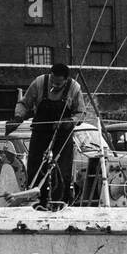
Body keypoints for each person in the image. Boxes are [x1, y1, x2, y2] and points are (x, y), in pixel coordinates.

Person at [14, 63, 86, 206]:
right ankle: (36, 201)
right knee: (35, 164)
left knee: (63, 167)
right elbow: (24, 103)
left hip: (63, 133)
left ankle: (61, 201)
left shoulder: (74, 88)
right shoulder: (39, 82)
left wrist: (70, 121)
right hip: (41, 131)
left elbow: (81, 112)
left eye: (58, 83)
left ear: (66, 80)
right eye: (53, 81)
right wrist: (18, 116)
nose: (54, 85)